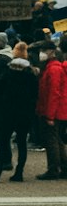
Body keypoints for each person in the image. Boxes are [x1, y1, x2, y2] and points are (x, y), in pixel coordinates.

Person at [0, 42, 39, 183]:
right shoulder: (31, 73)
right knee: (21, 143)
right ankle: (19, 173)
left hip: (7, 111)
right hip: (24, 113)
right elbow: (35, 94)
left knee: (3, 141)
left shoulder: (8, 71)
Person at [36, 41, 67, 180]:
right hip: (57, 110)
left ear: (50, 52)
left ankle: (53, 168)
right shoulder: (52, 67)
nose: (41, 53)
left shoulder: (53, 69)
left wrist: (49, 115)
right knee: (57, 139)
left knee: (52, 140)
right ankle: (64, 167)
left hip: (53, 111)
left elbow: (54, 93)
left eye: (43, 50)